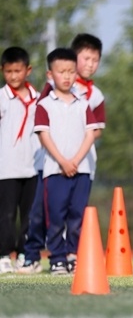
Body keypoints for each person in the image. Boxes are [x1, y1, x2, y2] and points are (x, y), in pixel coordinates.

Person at [19, 34, 106, 274]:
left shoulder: (93, 96)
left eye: (95, 60)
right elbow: (45, 122)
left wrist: (76, 156)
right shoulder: (54, 88)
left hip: (81, 163)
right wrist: (62, 158)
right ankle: (32, 255)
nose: (89, 64)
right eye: (85, 58)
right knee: (41, 212)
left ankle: (69, 256)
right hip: (51, 162)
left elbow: (95, 129)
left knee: (74, 213)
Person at [0, 47, 39, 274]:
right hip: (5, 168)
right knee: (5, 215)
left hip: (33, 167)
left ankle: (25, 254)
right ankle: (4, 254)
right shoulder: (2, 98)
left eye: (18, 71)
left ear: (28, 70)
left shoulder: (39, 99)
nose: (14, 76)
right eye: (8, 72)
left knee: (29, 216)